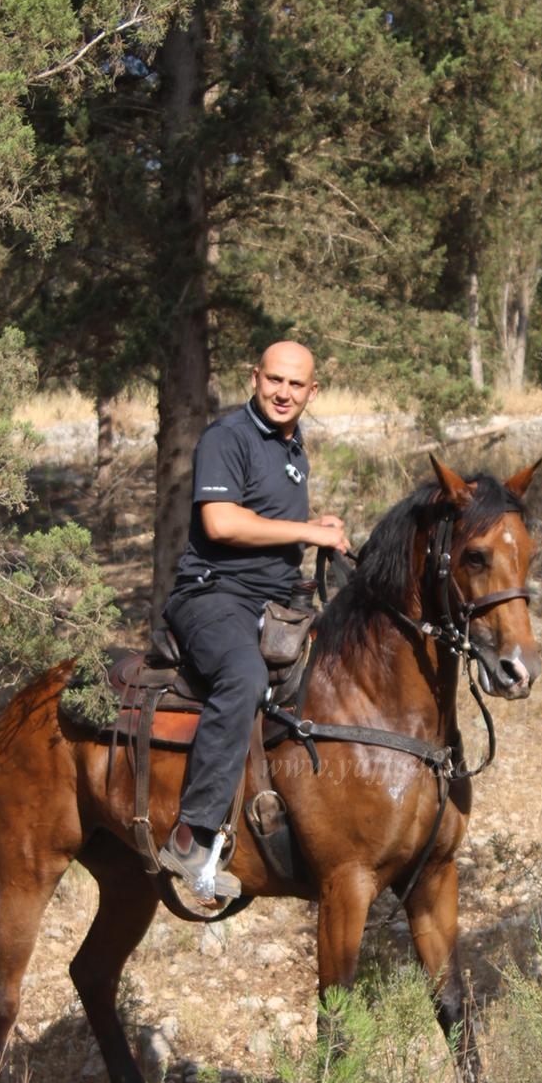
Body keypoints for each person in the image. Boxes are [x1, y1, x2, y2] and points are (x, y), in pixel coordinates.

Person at [160, 340, 350, 903]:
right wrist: (307, 532)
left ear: (313, 392)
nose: (284, 392)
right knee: (244, 676)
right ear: (254, 378)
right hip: (212, 597)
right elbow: (219, 522)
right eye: (274, 380)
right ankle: (191, 835)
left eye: (296, 385)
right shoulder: (228, 437)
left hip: (274, 602)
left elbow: (266, 519)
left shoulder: (294, 449)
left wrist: (315, 524)